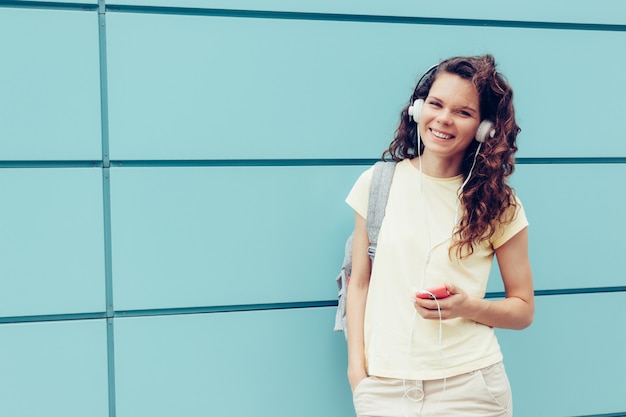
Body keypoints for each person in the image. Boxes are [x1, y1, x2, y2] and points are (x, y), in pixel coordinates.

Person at [344, 54, 534, 417]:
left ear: (484, 128)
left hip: (470, 389)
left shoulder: (499, 203)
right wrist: (358, 374)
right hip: (384, 390)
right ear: (418, 108)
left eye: (463, 112)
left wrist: (467, 307)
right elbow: (359, 283)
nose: (444, 119)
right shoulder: (377, 183)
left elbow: (523, 310)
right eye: (436, 104)